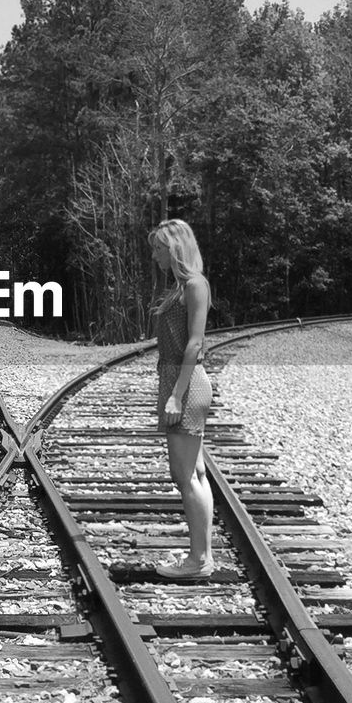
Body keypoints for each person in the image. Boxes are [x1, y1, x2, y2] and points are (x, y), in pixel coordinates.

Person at [149, 219, 215, 580]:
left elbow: (194, 343)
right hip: (178, 380)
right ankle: (203, 556)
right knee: (197, 473)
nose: (155, 255)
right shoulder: (181, 286)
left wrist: (176, 395)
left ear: (175, 248)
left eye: (159, 248)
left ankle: (198, 561)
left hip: (186, 384)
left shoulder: (194, 285)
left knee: (184, 475)